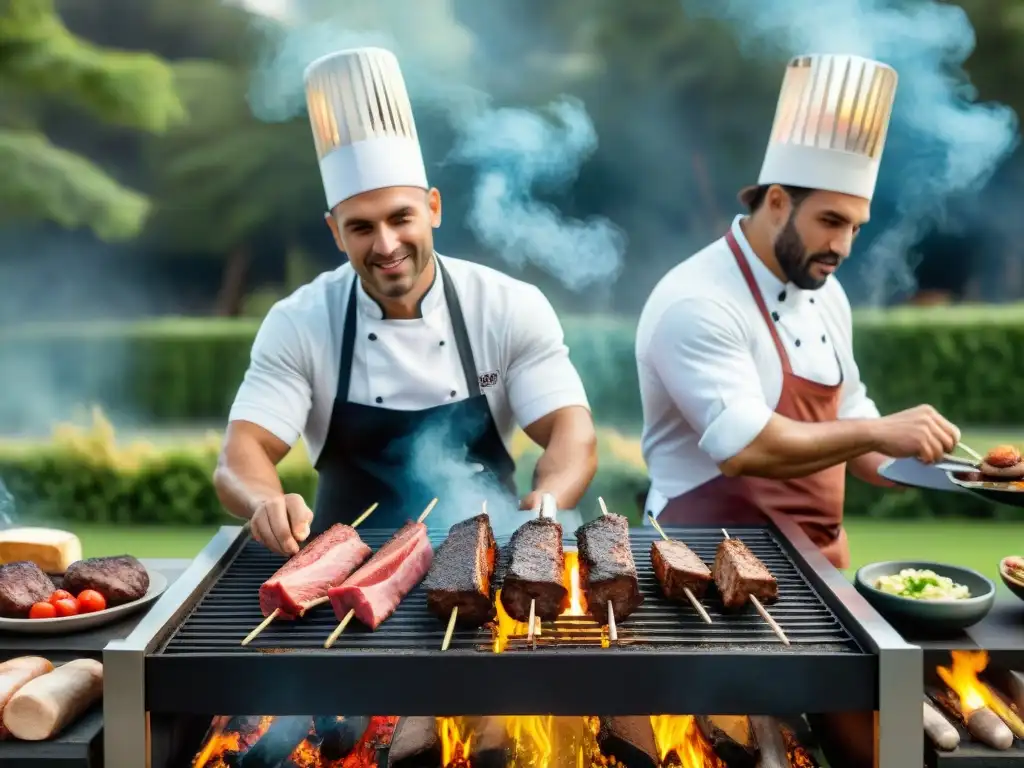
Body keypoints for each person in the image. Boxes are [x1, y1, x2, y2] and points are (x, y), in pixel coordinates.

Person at [214, 47, 597, 556]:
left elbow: (572, 431)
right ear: (335, 232)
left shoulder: (507, 306)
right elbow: (241, 454)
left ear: (433, 208)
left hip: (486, 566)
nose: (386, 244)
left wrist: (547, 504)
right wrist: (265, 500)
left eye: (401, 218)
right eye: (361, 227)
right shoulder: (300, 322)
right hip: (343, 577)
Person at [634, 53, 961, 569]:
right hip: (704, 566)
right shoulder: (696, 301)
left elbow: (851, 420)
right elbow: (746, 447)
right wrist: (881, 431)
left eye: (856, 227)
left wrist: (949, 470)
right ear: (779, 201)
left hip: (820, 566)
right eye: (831, 221)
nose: (844, 246)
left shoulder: (826, 290)